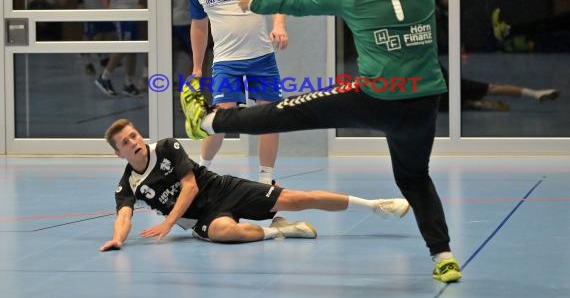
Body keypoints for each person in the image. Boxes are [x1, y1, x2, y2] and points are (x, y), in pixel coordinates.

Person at [181, 0, 463, 283]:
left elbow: (300, 2)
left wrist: (257, 4)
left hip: (375, 98)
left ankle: (210, 121)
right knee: (415, 177)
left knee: (290, 110)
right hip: (423, 101)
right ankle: (444, 256)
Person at [99, 119, 410, 251]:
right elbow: (123, 216)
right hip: (204, 219)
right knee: (225, 233)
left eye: (134, 135)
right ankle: (280, 230)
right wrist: (118, 240)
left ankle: (375, 205)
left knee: (298, 199)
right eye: (125, 143)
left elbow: (191, 186)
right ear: (118, 154)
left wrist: (167, 222)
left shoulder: (166, 147)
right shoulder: (129, 185)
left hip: (222, 189)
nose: (134, 142)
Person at [189, 0, 288, 184]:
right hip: (226, 62)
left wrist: (279, 26)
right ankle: (201, 172)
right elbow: (199, 26)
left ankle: (266, 179)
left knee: (270, 118)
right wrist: (197, 66)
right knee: (220, 117)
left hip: (262, 58)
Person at [95, 0, 142, 97]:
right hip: (122, 13)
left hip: (133, 12)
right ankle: (104, 76)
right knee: (125, 45)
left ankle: (129, 83)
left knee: (134, 48)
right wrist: (107, 8)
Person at [438, 64, 560, 111]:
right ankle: (534, 93)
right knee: (493, 89)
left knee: (491, 89)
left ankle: (471, 103)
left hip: (441, 95)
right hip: (443, 93)